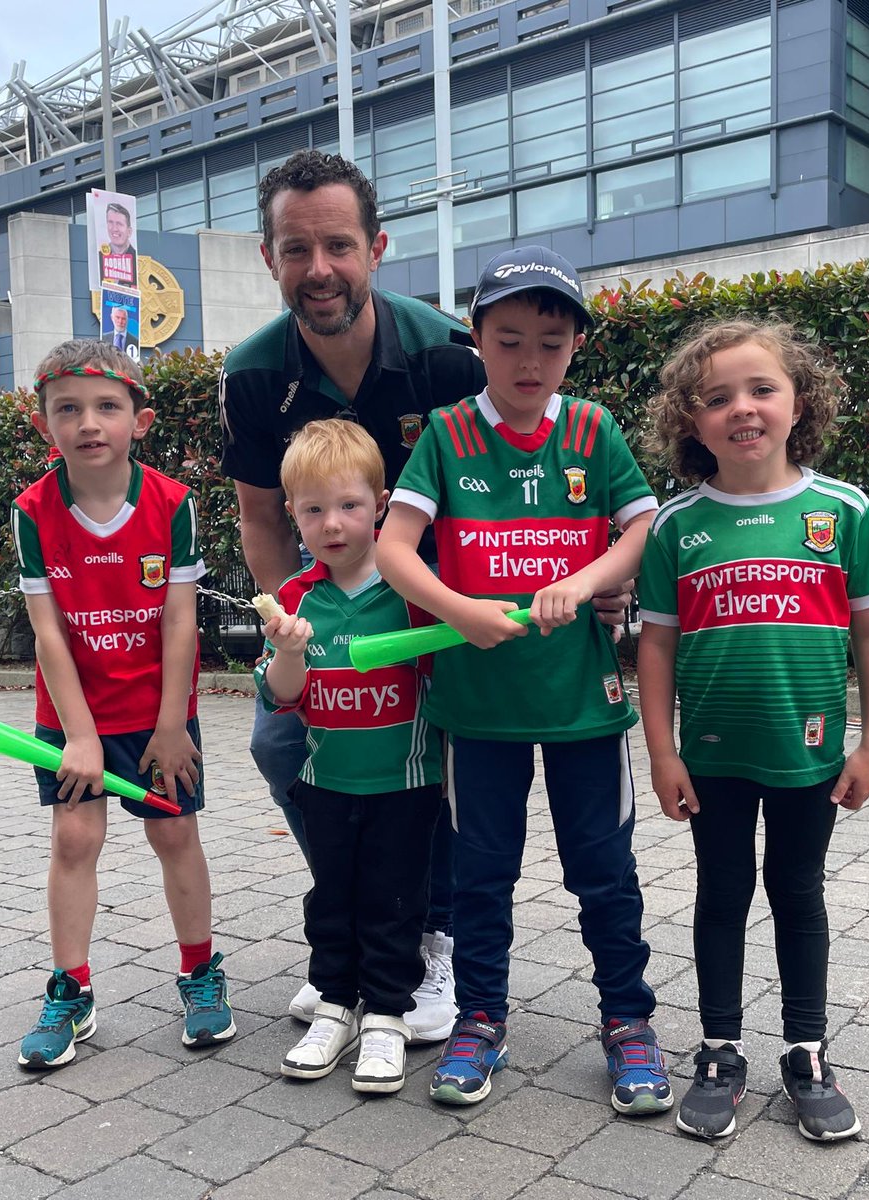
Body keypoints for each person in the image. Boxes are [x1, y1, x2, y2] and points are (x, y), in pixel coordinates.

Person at [376, 246, 672, 1116]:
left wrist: (584, 582)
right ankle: (480, 1018)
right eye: (509, 340)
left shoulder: (592, 428)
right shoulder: (446, 433)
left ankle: (627, 1021)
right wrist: (459, 609)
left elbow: (643, 524)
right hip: (480, 709)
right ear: (476, 339)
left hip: (585, 704)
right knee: (481, 877)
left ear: (575, 345)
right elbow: (394, 548)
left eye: (551, 341)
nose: (530, 361)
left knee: (604, 873)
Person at [218, 149, 486, 1040]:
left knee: (435, 773)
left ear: (376, 248)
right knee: (275, 740)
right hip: (328, 618)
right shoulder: (255, 375)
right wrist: (286, 621)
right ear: (270, 259)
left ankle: (429, 934)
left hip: (437, 618)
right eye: (297, 250)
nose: (319, 269)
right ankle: (363, 903)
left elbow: (489, 495)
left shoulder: (448, 356)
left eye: (338, 245)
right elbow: (261, 517)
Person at [635, 318, 869, 1142]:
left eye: (761, 389)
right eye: (717, 398)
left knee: (797, 895)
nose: (741, 409)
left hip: (809, 756)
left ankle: (806, 1051)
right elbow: (656, 645)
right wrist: (662, 752)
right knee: (720, 897)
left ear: (799, 402)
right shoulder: (678, 527)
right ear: (692, 419)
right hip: (711, 759)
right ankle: (718, 1050)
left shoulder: (841, 512)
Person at [12, 339, 235, 1069]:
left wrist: (172, 725)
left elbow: (179, 620)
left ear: (139, 419)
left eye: (107, 406)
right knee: (74, 841)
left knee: (174, 837)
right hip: (74, 713)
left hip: (156, 709)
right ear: (45, 423)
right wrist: (78, 734)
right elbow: (48, 633)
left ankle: (201, 973)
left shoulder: (174, 504)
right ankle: (71, 990)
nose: (88, 422)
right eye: (67, 408)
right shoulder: (32, 512)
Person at [256, 419, 442, 1093]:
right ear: (294, 517)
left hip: (406, 784)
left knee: (396, 904)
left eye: (349, 506)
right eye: (313, 510)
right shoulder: (296, 600)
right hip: (325, 783)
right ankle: (335, 1007)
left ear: (382, 504)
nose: (332, 524)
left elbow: (444, 680)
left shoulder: (413, 592)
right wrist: (289, 651)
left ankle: (388, 1016)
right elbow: (282, 698)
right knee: (331, 901)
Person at [100, 202, 137, 289]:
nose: (114, 229)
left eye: (119, 224)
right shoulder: (98, 258)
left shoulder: (137, 261)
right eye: (110, 222)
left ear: (129, 231)